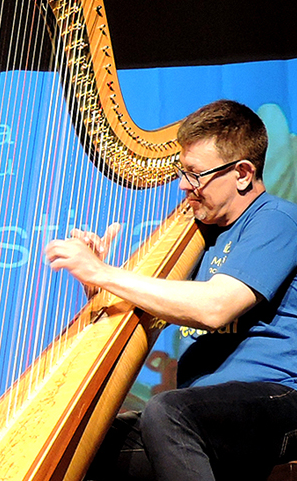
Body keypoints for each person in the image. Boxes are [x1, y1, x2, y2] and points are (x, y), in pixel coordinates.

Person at [45, 99, 297, 480]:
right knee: (81, 445)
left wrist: (105, 273)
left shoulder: (276, 221)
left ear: (243, 173)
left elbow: (215, 308)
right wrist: (97, 287)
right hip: (200, 417)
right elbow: (147, 319)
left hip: (276, 400)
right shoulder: (198, 237)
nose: (183, 185)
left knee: (168, 411)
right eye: (182, 171)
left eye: (195, 174)